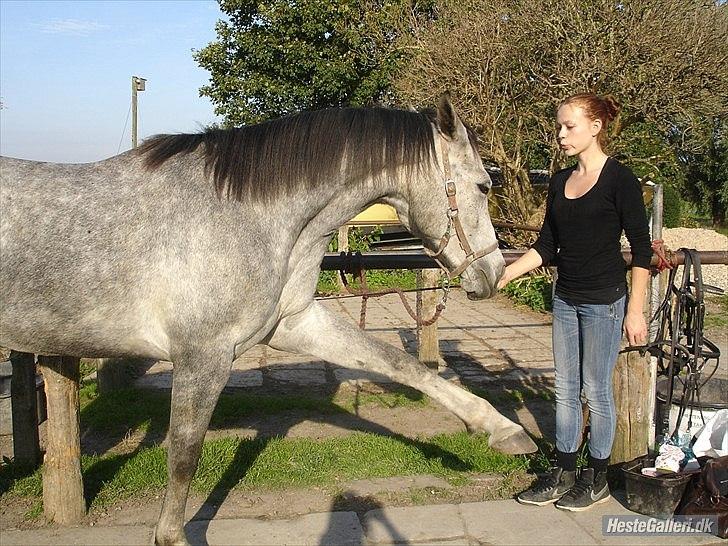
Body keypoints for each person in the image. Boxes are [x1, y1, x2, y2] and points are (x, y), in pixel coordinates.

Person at [500, 93, 652, 511]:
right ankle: (565, 471)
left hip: (604, 302)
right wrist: (507, 272)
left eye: (569, 126)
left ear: (595, 128)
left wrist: (635, 311)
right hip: (565, 299)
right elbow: (546, 246)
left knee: (596, 391)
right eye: (559, 127)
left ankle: (597, 477)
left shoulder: (620, 180)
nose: (561, 134)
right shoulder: (559, 181)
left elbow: (641, 251)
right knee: (566, 390)